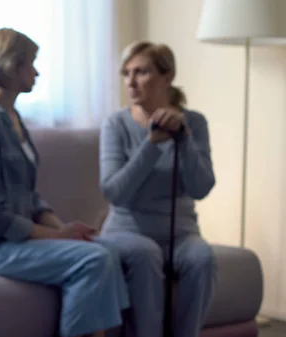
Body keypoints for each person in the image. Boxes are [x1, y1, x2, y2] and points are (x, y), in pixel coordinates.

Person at [0, 27, 129, 337]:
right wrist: (58, 237)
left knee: (106, 249)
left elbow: (29, 196)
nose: (37, 72)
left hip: (7, 239)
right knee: (93, 260)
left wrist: (63, 228)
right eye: (30, 63)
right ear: (8, 66)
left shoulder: (12, 118)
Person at [97, 40, 217, 337]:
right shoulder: (116, 125)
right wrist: (151, 145)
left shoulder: (195, 123)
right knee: (145, 253)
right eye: (127, 73)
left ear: (167, 77)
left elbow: (201, 188)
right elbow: (114, 191)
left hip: (182, 234)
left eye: (142, 72)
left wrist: (184, 139)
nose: (131, 81)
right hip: (127, 232)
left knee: (203, 258)